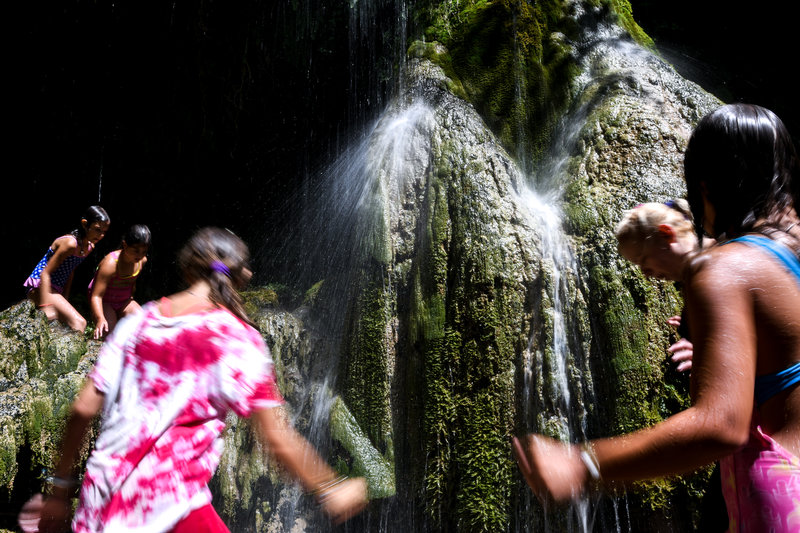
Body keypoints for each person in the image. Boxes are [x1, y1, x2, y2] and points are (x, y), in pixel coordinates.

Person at [513, 104, 800, 532]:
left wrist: (583, 463)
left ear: (705, 185)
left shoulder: (722, 269)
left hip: (779, 492)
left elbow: (721, 425)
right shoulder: (790, 248)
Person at [18, 227, 367, 533]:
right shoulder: (237, 339)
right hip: (166, 507)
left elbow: (82, 409)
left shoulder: (139, 323)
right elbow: (276, 438)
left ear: (186, 270)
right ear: (242, 276)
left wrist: (60, 492)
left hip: (99, 501)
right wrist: (329, 487)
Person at [615, 199, 705, 372]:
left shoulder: (714, 269)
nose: (645, 273)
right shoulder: (693, 278)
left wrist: (706, 354)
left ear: (666, 234)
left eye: (643, 261)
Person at [24, 206, 110, 331]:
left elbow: (70, 271)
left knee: (63, 326)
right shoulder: (70, 243)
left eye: (104, 231)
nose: (101, 235)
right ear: (84, 224)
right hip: (39, 286)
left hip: (54, 289)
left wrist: (65, 298)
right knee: (79, 323)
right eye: (97, 230)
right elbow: (45, 274)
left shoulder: (89, 247)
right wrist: (45, 305)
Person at [88, 224, 151, 340]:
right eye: (136, 250)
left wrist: (131, 301)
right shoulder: (111, 263)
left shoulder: (142, 261)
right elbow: (96, 296)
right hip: (104, 302)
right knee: (111, 337)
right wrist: (100, 318)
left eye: (144, 251)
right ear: (125, 245)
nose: (140, 255)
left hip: (124, 301)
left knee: (143, 327)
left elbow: (132, 283)